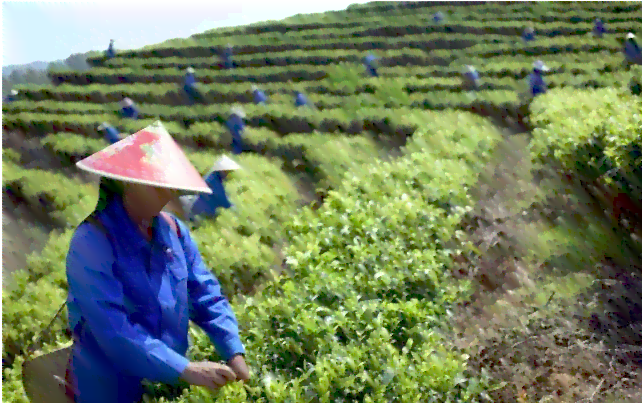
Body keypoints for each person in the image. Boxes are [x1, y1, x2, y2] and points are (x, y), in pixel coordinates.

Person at [64, 122, 249, 403]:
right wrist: (184, 369)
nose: (167, 195)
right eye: (156, 186)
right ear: (128, 183)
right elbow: (113, 330)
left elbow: (206, 295)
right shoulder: (91, 242)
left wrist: (234, 352)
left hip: (166, 386)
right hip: (108, 390)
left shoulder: (173, 230)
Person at [177, 156, 241, 220]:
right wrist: (235, 210)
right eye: (227, 171)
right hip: (203, 210)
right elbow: (222, 199)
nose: (228, 173)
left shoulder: (213, 177)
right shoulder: (214, 180)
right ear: (222, 170)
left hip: (200, 208)